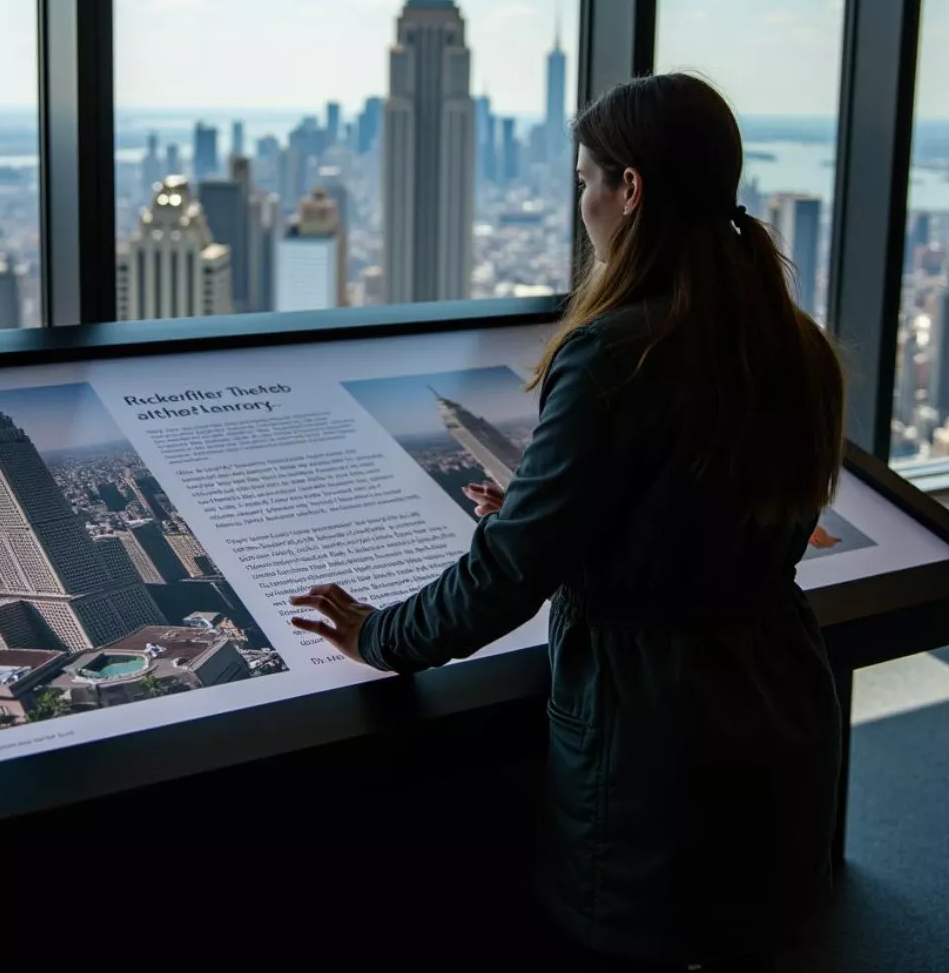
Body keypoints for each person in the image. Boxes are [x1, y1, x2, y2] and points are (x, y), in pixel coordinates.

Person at [291, 73, 844, 972]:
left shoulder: (615, 350)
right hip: (779, 688)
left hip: (651, 727)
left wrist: (381, 636)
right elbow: (722, 508)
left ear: (630, 190)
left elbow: (511, 573)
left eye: (586, 180)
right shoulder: (796, 342)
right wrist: (573, 512)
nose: (581, 204)